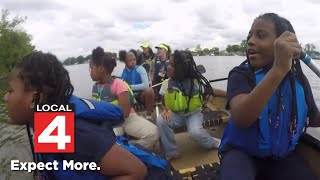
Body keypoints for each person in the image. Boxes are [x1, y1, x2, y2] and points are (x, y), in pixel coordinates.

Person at [3, 51, 147, 179]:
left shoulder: (75, 132)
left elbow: (136, 171)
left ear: (35, 98)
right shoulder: (47, 122)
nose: (5, 98)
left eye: (10, 91)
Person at [219, 13, 319, 180]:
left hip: (281, 156)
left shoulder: (299, 81)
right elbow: (242, 118)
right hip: (241, 153)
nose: (250, 41)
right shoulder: (240, 74)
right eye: (249, 35)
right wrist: (278, 70)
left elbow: (314, 118)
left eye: (261, 35)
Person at [90, 46, 159, 151]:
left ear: (101, 69)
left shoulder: (118, 83)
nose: (90, 72)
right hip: (108, 123)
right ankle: (123, 149)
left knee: (153, 133)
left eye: (91, 68)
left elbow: (125, 113)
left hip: (126, 120)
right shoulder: (96, 88)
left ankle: (130, 149)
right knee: (102, 143)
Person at [156, 50, 221, 160]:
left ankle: (213, 142)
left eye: (172, 65)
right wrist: (167, 109)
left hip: (193, 114)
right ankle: (171, 152)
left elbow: (212, 91)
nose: (168, 66)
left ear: (181, 69)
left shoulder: (196, 82)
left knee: (195, 132)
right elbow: (163, 100)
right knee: (161, 120)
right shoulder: (166, 83)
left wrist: (231, 94)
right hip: (176, 114)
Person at [121, 50, 155, 121]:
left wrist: (130, 87)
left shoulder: (140, 69)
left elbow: (145, 85)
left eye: (134, 59)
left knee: (149, 90)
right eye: (130, 60)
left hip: (140, 95)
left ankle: (149, 115)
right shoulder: (124, 72)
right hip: (130, 96)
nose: (133, 61)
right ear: (125, 61)